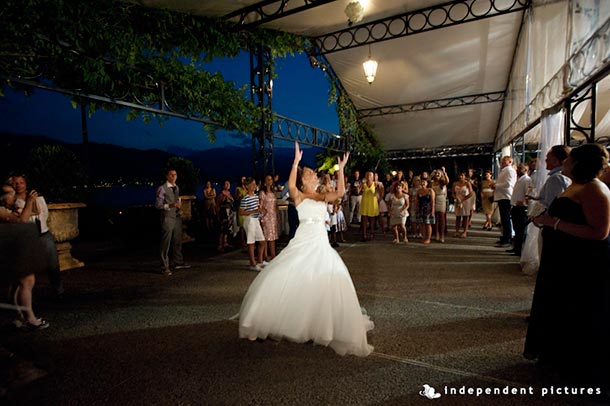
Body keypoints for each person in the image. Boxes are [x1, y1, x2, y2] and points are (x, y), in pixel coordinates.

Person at [238, 142, 374, 357]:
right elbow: (290, 186)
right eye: (310, 173)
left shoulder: (322, 197)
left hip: (320, 241)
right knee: (283, 274)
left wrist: (342, 169)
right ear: (304, 180)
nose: (314, 175)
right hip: (302, 239)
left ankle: (315, 324)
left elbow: (340, 192)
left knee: (324, 279)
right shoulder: (299, 195)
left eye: (313, 173)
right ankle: (262, 320)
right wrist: (295, 163)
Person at [524, 143, 610, 393]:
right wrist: (547, 222)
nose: (566, 161)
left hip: (582, 264)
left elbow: (600, 232)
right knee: (562, 308)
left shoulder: (594, 188)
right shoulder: (576, 185)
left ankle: (578, 368)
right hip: (565, 260)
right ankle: (558, 357)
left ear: (579, 163)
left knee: (578, 311)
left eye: (570, 158)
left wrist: (554, 222)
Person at [0, 184, 49, 330]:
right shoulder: (1, 210)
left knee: (18, 285)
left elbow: (35, 211)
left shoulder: (10, 209)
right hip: (9, 251)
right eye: (10, 193)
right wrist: (27, 203)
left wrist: (31, 200)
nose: (13, 196)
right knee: (27, 282)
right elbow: (21, 221)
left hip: (14, 250)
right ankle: (30, 319)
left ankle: (20, 317)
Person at [10, 174, 64, 298]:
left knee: (53, 263)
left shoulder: (36, 196)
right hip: (27, 236)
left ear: (26, 184)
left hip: (43, 233)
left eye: (21, 182)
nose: (18, 185)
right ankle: (28, 296)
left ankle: (58, 289)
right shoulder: (11, 200)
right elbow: (20, 218)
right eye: (15, 183)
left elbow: (42, 213)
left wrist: (29, 209)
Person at [155, 169, 190, 276]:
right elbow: (158, 205)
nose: (174, 176)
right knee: (166, 241)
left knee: (177, 240)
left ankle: (177, 261)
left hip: (177, 217)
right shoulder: (162, 188)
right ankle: (164, 265)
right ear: (167, 176)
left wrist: (179, 209)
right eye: (171, 174)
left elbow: (176, 201)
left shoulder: (176, 187)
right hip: (167, 217)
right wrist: (170, 206)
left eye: (175, 174)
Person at [239, 177, 266, 272]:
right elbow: (241, 212)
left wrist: (261, 212)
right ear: (247, 186)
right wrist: (254, 211)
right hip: (249, 220)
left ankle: (260, 261)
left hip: (255, 219)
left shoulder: (255, 196)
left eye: (255, 184)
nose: (255, 186)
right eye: (253, 184)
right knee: (251, 242)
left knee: (262, 241)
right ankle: (252, 263)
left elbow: (256, 209)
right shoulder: (245, 198)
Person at [492, 156, 516, 247]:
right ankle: (505, 236)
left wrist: (496, 185)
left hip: (506, 196)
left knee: (506, 219)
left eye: (504, 161)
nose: (502, 162)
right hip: (502, 196)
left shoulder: (510, 171)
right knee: (504, 219)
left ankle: (507, 238)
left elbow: (508, 184)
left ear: (510, 162)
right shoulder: (504, 170)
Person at [507, 163, 530, 256]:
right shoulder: (519, 179)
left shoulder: (527, 180)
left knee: (520, 230)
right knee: (516, 228)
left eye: (521, 168)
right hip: (515, 206)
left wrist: (524, 203)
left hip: (521, 207)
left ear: (525, 170)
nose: (518, 170)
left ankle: (519, 249)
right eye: (518, 168)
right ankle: (516, 247)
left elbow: (528, 193)